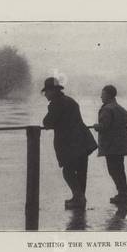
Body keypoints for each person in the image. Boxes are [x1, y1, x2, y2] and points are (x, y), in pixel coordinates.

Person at [41, 76, 97, 209]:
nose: (45, 95)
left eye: (47, 92)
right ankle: (79, 198)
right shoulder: (70, 100)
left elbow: (48, 122)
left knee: (68, 171)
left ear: (53, 91)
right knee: (81, 170)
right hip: (83, 140)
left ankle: (78, 197)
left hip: (70, 143)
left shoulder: (56, 103)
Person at [94, 84, 127, 204]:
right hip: (121, 145)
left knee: (114, 170)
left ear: (108, 95)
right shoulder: (122, 109)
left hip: (111, 146)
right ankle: (123, 193)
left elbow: (104, 126)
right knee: (120, 170)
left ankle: (122, 194)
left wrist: (96, 126)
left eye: (103, 94)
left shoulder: (107, 109)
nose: (101, 97)